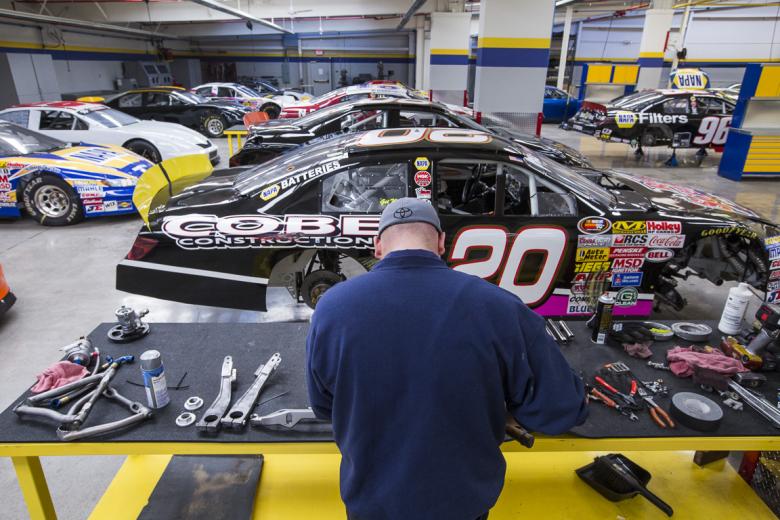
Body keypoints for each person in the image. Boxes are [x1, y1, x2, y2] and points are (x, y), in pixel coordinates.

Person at [306, 197, 588, 520]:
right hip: (462, 505)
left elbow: (323, 406)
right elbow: (561, 409)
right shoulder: (500, 307)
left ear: (378, 246)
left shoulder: (331, 310)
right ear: (441, 243)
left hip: (372, 504)